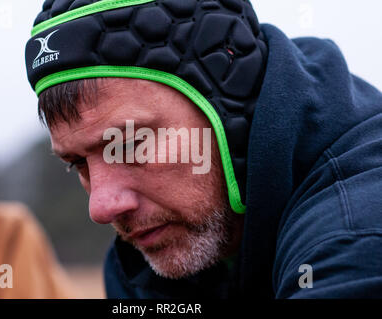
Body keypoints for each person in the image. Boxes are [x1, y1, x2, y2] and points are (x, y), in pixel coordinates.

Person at [24, 0, 382, 298]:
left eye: (132, 143)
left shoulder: (358, 235)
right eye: (78, 164)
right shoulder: (151, 267)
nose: (101, 207)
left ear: (230, 104)